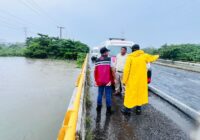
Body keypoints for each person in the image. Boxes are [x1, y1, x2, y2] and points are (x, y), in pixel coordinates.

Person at [121, 44, 159, 115]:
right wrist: (158, 55)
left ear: (133, 49)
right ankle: (138, 110)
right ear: (139, 49)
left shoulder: (130, 57)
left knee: (130, 95)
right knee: (139, 94)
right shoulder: (144, 56)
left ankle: (127, 110)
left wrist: (124, 81)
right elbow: (153, 58)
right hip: (141, 81)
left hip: (132, 81)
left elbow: (126, 70)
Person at [94, 47, 115, 115]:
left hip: (100, 80)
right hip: (108, 81)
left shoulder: (97, 60)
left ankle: (98, 108)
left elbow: (95, 71)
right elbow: (112, 70)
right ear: (105, 52)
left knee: (100, 94)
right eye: (107, 52)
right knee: (108, 95)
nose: (108, 53)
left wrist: (96, 80)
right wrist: (114, 79)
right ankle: (108, 111)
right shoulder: (109, 59)